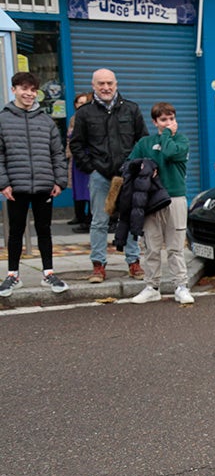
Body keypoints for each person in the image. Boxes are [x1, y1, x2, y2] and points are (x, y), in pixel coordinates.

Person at [69, 68, 147, 284]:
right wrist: (91, 168)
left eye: (109, 83)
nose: (106, 87)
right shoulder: (84, 113)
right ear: (93, 86)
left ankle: (133, 262)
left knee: (130, 218)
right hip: (100, 176)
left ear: (116, 84)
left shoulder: (131, 109)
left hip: (127, 175)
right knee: (99, 222)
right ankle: (98, 265)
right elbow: (76, 144)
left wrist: (136, 166)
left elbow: (143, 140)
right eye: (101, 83)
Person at [0, 72, 69, 297]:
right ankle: (13, 275)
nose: (29, 94)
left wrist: (59, 181)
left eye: (33, 90)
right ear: (14, 90)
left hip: (43, 185)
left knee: (44, 230)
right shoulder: (3, 119)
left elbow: (57, 153)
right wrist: (3, 183)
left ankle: (48, 273)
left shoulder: (46, 120)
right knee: (15, 231)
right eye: (24, 89)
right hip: (16, 186)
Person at [126, 102, 194, 305]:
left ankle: (181, 286)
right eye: (163, 120)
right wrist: (145, 166)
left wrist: (166, 134)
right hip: (151, 200)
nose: (169, 123)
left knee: (175, 247)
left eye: (172, 118)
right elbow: (129, 165)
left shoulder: (181, 140)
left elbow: (170, 153)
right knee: (151, 247)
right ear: (155, 122)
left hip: (175, 198)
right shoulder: (145, 143)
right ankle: (152, 287)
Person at [66, 91, 93, 233]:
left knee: (89, 190)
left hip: (88, 158)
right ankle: (80, 216)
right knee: (78, 189)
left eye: (84, 102)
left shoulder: (91, 117)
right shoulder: (73, 118)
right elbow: (69, 139)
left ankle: (89, 219)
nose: (82, 105)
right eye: (79, 102)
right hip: (76, 158)